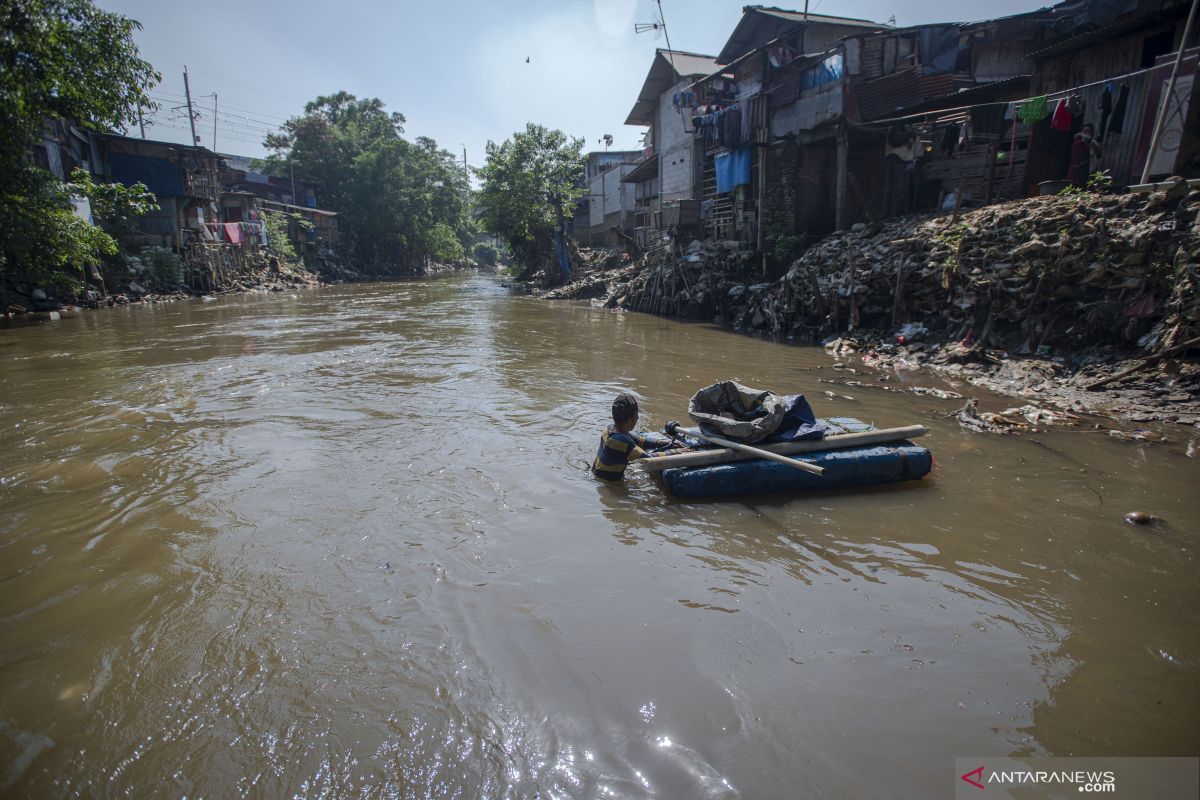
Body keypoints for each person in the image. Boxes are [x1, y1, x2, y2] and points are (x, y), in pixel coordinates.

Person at [592, 394, 674, 482]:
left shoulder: (610, 429)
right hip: (608, 484)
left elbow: (640, 440)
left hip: (597, 475)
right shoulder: (622, 441)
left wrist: (664, 443)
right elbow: (649, 459)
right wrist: (674, 452)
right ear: (633, 419)